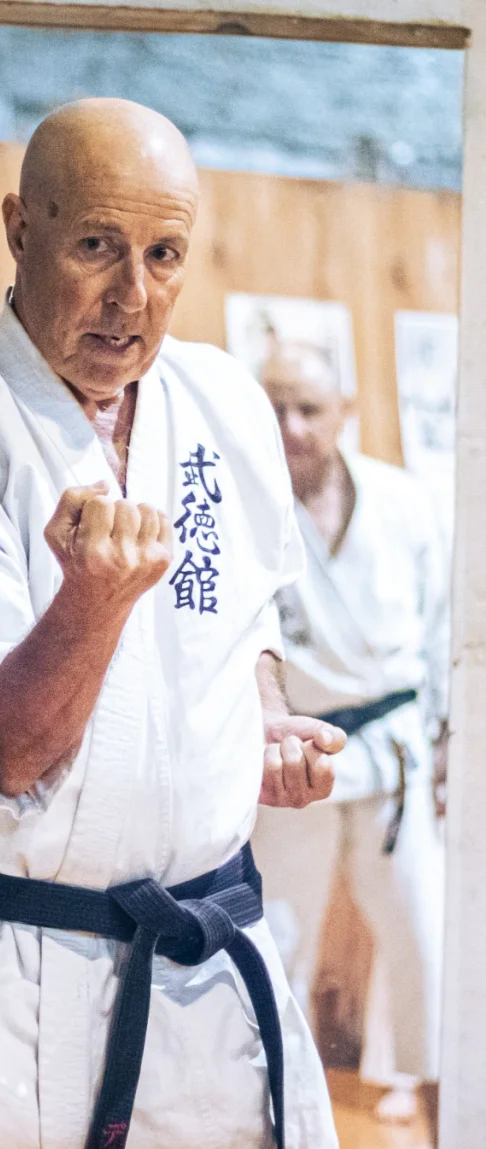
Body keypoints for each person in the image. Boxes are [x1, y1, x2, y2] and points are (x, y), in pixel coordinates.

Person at [0, 97, 348, 1149]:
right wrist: (91, 603)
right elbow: (8, 754)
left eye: (165, 255)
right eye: (97, 246)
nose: (132, 297)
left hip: (199, 975)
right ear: (21, 230)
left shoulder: (223, 403)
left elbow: (238, 626)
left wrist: (265, 722)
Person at [249, 342, 447, 1138]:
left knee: (422, 937)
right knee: (277, 939)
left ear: (346, 412)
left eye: (308, 408)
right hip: (294, 750)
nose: (290, 426)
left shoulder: (402, 502)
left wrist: (443, 739)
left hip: (395, 746)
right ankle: (275, 1118)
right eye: (274, 407)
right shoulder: (247, 506)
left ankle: (443, 1112)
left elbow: (440, 631)